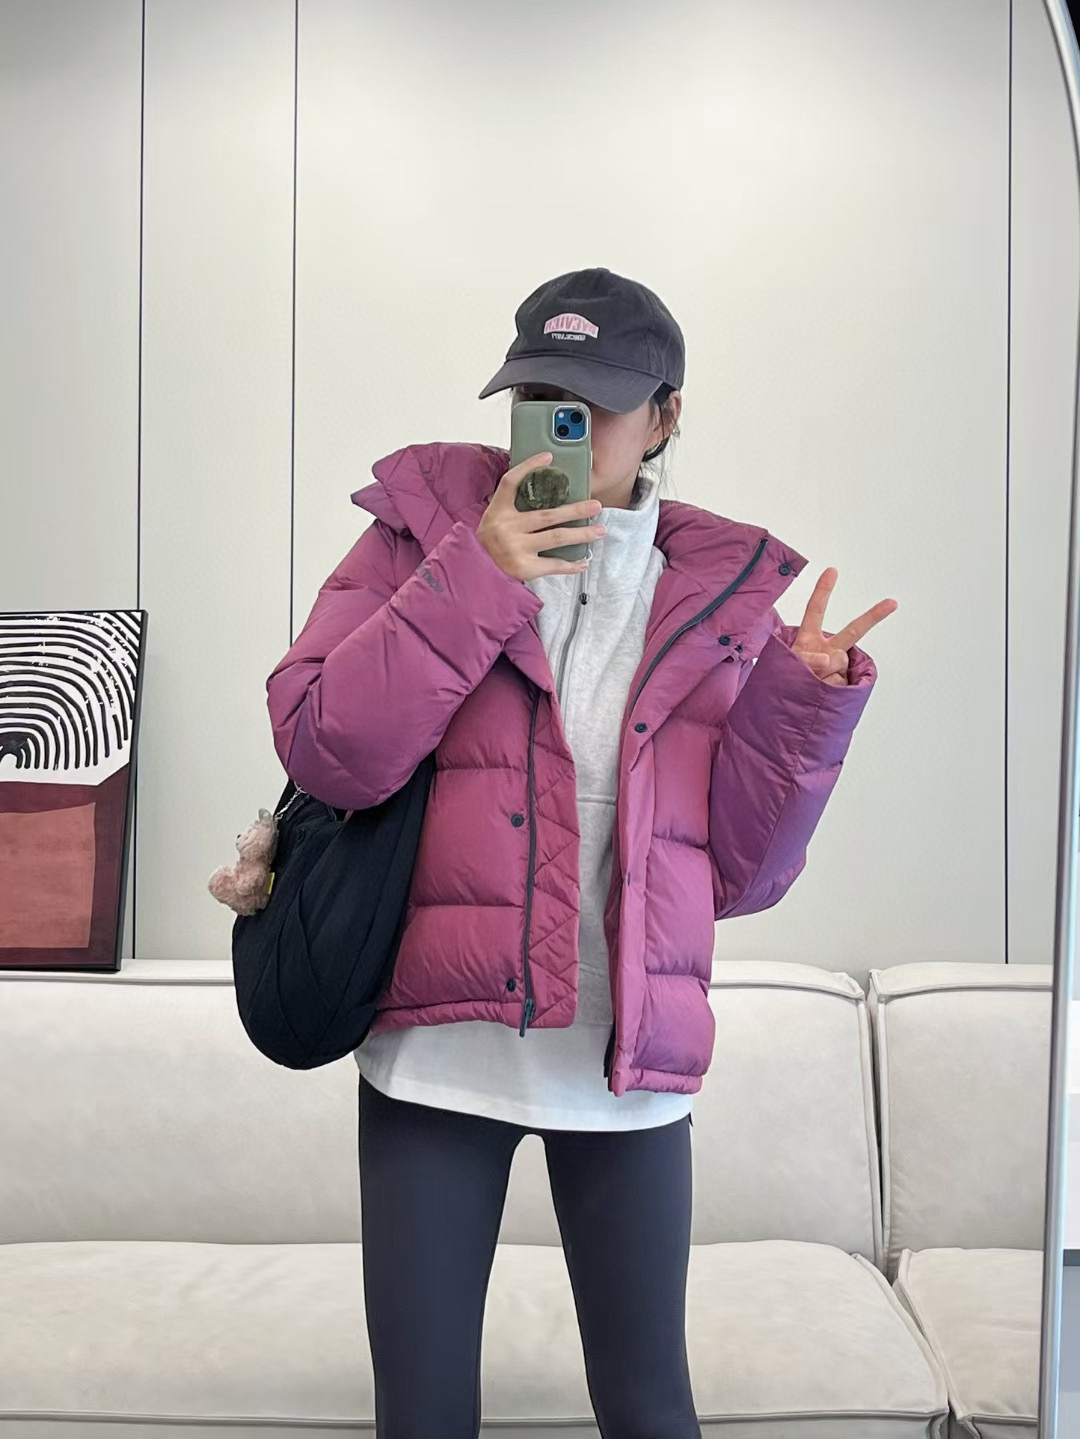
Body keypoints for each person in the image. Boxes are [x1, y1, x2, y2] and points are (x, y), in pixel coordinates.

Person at [265, 267, 896, 1438]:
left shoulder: (723, 597)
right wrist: (476, 575)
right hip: (435, 1056)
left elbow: (742, 876)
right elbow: (327, 750)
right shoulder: (417, 538)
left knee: (651, 1408)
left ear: (664, 417)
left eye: (600, 400)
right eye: (542, 393)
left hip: (625, 1060)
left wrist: (800, 707)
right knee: (422, 1414)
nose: (566, 421)